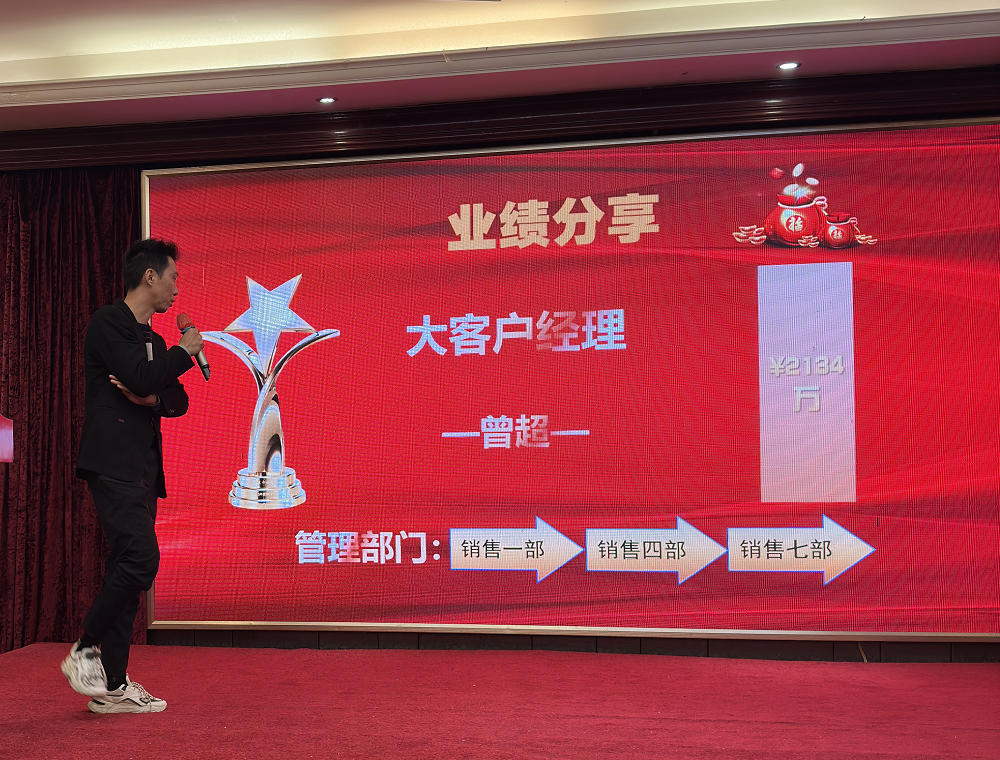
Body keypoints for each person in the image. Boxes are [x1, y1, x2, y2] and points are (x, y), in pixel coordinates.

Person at [60, 238, 203, 714]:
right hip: (112, 462)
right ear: (149, 276)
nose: (176, 289)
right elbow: (141, 377)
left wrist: (154, 398)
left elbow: (177, 400)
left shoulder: (155, 342)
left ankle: (114, 686)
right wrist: (183, 353)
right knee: (142, 559)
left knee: (127, 565)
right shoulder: (109, 323)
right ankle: (85, 647)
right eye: (173, 277)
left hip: (143, 469)